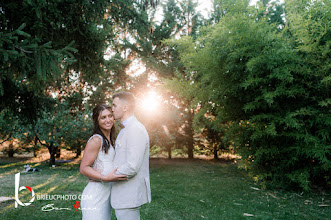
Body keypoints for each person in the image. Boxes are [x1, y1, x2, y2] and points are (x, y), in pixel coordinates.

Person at [80, 104, 127, 220]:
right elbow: (84, 168)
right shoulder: (96, 140)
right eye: (103, 117)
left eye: (110, 116)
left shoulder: (111, 139)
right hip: (95, 196)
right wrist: (104, 178)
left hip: (107, 195)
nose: (108, 120)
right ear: (97, 120)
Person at [111, 91, 151, 220]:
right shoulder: (126, 129)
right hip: (123, 193)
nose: (112, 109)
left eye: (114, 105)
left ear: (125, 107)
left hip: (129, 194)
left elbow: (132, 166)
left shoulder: (135, 129)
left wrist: (107, 177)